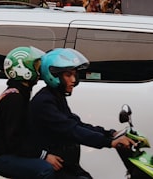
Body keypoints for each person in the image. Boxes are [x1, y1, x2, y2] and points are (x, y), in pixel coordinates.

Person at [27, 48, 134, 178]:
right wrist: (109, 142)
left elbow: (76, 124)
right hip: (56, 165)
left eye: (74, 74)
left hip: (66, 164)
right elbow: (72, 130)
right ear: (53, 75)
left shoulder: (55, 97)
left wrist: (110, 134)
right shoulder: (44, 102)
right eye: (68, 75)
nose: (73, 80)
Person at [0, 47, 62, 179]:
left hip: (5, 153)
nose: (40, 71)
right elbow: (15, 140)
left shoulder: (19, 93)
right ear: (24, 69)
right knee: (45, 169)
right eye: (36, 66)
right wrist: (44, 155)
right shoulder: (15, 98)